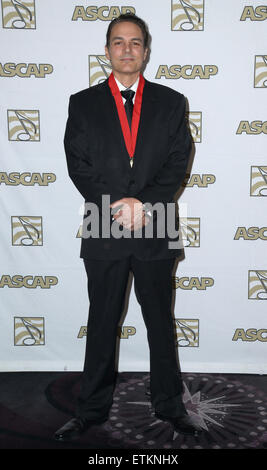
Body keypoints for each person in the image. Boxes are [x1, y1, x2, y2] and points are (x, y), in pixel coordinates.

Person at [54, 13, 202, 441]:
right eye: (118, 42)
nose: (127, 50)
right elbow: (77, 163)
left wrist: (145, 204)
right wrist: (119, 204)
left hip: (156, 223)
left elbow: (178, 163)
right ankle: (90, 410)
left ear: (146, 50)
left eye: (135, 42)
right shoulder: (82, 103)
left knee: (160, 320)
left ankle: (170, 406)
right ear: (107, 51)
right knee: (101, 321)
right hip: (105, 219)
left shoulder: (172, 102)